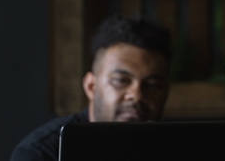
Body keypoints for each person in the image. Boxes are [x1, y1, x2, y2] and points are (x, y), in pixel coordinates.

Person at [11, 15, 172, 161]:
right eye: (121, 81)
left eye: (153, 85)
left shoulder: (180, 149)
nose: (136, 95)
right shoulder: (42, 153)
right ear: (91, 86)